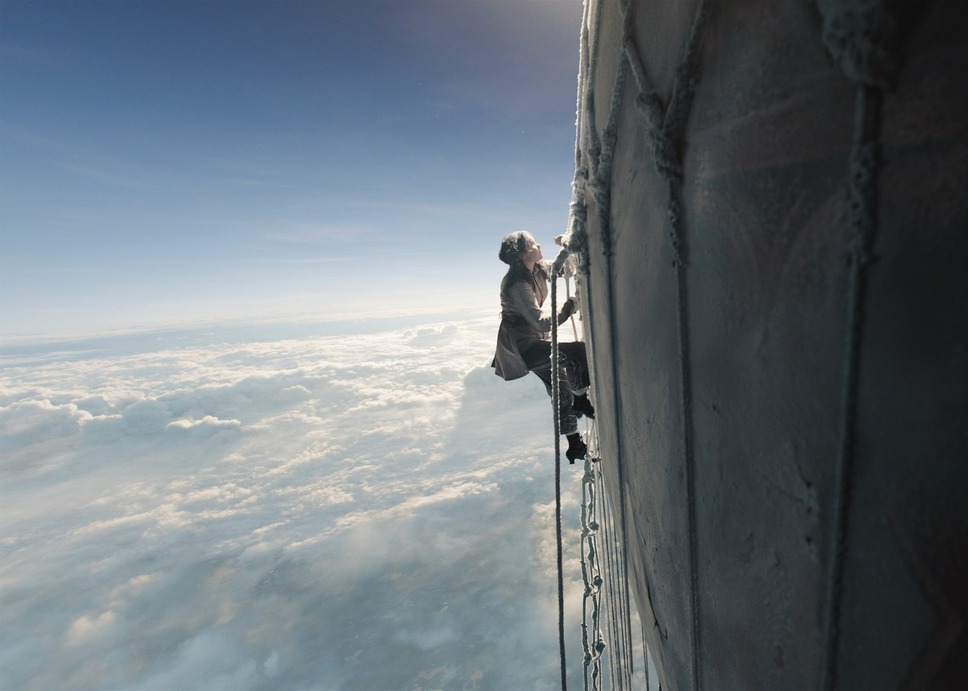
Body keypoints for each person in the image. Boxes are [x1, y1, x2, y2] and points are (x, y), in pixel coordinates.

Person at [492, 230, 595, 463]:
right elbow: (542, 321)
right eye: (533, 243)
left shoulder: (536, 269)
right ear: (523, 254)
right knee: (578, 354)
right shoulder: (517, 284)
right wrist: (572, 305)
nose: (539, 244)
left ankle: (575, 445)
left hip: (535, 341)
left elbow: (563, 268)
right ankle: (580, 401)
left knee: (560, 389)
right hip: (524, 348)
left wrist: (566, 247)